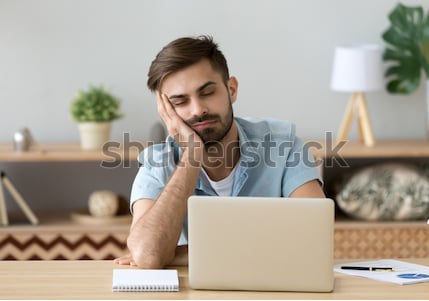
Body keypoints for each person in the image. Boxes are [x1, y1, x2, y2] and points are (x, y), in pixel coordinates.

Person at [114, 35, 325, 269]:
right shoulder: (157, 164)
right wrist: (192, 155)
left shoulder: (283, 146)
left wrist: (175, 254)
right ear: (166, 112)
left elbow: (314, 241)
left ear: (231, 89)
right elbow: (147, 255)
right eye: (180, 102)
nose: (198, 110)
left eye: (207, 93)